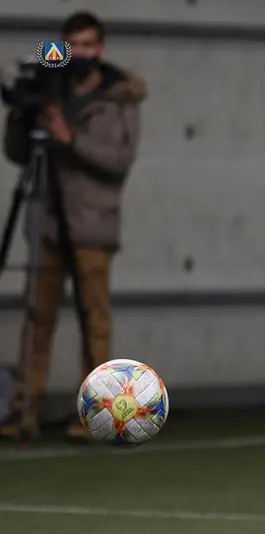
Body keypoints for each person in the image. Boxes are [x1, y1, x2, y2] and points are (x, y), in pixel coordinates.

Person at [1, 11, 146, 442]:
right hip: (48, 219)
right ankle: (24, 410)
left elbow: (118, 162)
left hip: (92, 224)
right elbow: (17, 152)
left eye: (86, 45)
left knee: (93, 322)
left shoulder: (120, 98)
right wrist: (22, 114)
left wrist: (69, 139)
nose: (79, 53)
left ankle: (96, 415)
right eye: (71, 46)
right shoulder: (52, 88)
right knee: (37, 317)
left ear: (100, 48)